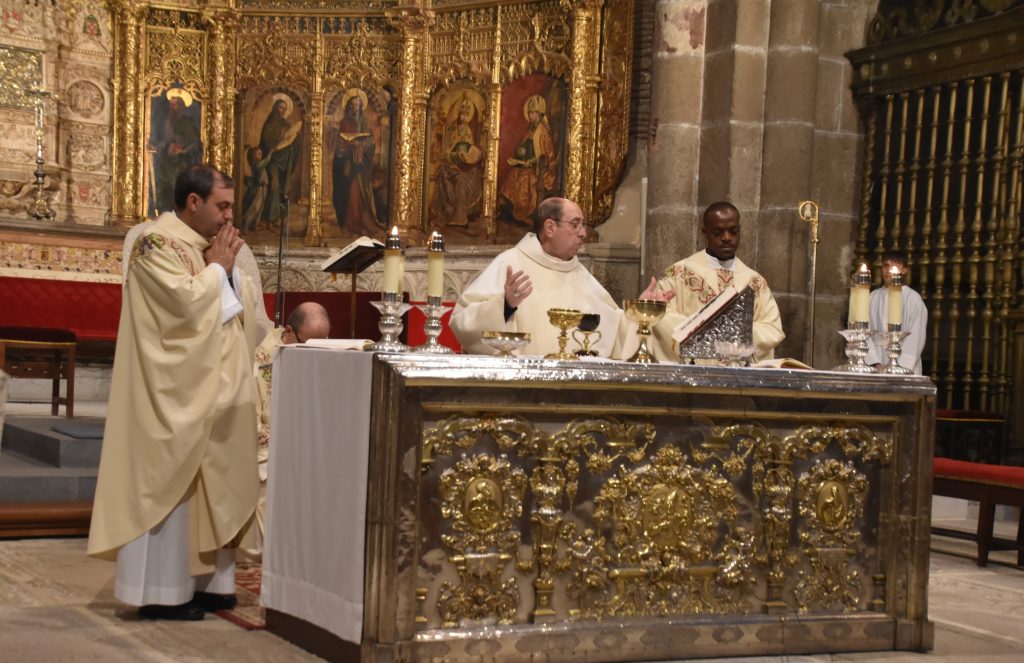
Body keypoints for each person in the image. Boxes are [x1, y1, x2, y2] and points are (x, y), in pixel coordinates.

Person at [88, 165, 264, 621]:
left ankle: (211, 583)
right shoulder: (154, 243)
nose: (229, 216)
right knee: (172, 487)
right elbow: (181, 310)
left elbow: (239, 307)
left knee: (215, 483)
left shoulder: (210, 247)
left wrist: (227, 273)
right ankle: (162, 592)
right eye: (222, 205)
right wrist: (218, 270)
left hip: (216, 388)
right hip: (173, 392)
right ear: (193, 202)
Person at [450, 197, 672, 357]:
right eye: (575, 225)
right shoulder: (511, 263)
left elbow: (613, 329)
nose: (583, 233)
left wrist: (640, 313)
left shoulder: (580, 274)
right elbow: (463, 321)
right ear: (550, 227)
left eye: (583, 226)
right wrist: (505, 305)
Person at [651, 202, 784, 363]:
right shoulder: (677, 274)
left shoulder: (754, 281)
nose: (727, 237)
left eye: (733, 231)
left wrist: (735, 332)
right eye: (718, 232)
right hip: (694, 372)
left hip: (739, 374)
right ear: (705, 233)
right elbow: (659, 317)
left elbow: (772, 328)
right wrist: (708, 329)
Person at [250, 302, 331, 555]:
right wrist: (289, 443)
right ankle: (282, 554)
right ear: (288, 331)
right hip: (273, 449)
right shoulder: (260, 364)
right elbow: (252, 425)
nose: (316, 351)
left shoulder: (321, 355)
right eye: (308, 344)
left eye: (323, 342)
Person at [498, 95, 557, 226]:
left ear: (539, 114)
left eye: (533, 112)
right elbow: (527, 147)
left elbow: (546, 156)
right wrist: (519, 158)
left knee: (524, 179)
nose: (530, 115)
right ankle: (509, 208)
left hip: (539, 170)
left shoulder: (543, 132)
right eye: (529, 112)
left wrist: (530, 162)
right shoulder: (531, 128)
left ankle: (523, 214)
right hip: (527, 166)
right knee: (513, 174)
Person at [865, 250, 927, 374]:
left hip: (904, 365)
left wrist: (899, 367)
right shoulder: (872, 297)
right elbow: (864, 332)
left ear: (904, 270)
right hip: (876, 364)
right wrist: (874, 362)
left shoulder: (912, 298)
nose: (888, 270)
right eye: (886, 266)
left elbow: (916, 336)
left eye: (894, 266)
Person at [431, 94, 483, 228]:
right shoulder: (452, 129)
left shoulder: (468, 130)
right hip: (451, 165)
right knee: (460, 180)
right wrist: (456, 155)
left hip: (465, 165)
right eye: (462, 114)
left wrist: (471, 155)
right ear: (458, 114)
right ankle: (457, 217)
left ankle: (467, 213)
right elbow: (446, 151)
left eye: (467, 115)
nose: (464, 117)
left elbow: (470, 146)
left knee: (476, 173)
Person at [256, 96, 301, 229]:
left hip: (285, 160)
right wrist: (279, 140)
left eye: (285, 109)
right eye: (281, 108)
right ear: (275, 107)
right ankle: (268, 219)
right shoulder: (269, 124)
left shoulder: (286, 124)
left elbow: (291, 139)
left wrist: (295, 138)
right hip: (273, 160)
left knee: (283, 188)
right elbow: (266, 142)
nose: (283, 111)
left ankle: (277, 219)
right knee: (274, 186)